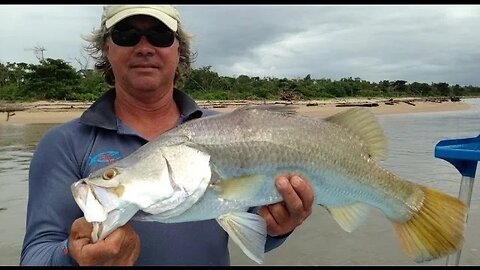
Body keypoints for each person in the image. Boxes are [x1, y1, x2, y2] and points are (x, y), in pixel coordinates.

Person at [20, 5, 314, 266]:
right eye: (126, 34)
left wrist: (280, 226)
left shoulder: (232, 131)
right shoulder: (63, 144)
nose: (144, 47)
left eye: (160, 35)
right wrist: (73, 258)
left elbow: (255, 226)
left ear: (178, 50)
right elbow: (35, 255)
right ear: (106, 49)